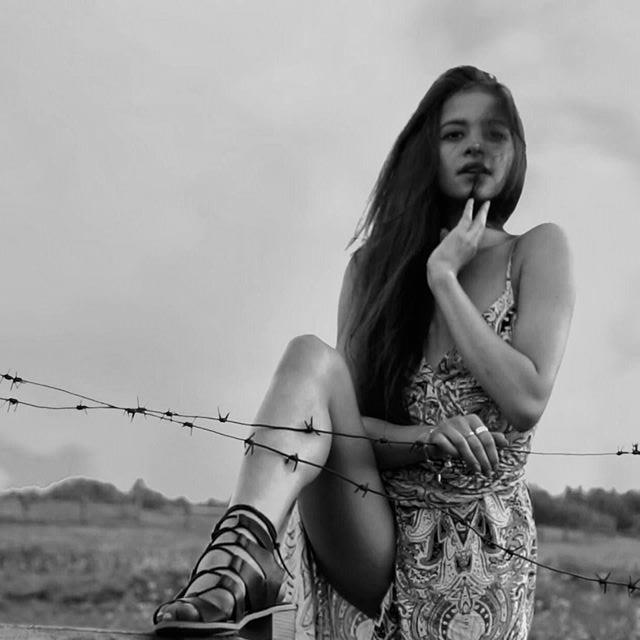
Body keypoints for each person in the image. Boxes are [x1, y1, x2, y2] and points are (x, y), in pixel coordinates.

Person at [152, 66, 575, 640]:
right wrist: (425, 438)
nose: (476, 146)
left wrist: (444, 279)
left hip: (482, 550)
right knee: (310, 358)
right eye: (454, 133)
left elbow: (526, 399)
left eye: (494, 133)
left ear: (516, 153)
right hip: (371, 528)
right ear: (426, 150)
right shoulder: (372, 269)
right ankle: (240, 562)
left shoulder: (537, 249)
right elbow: (345, 429)